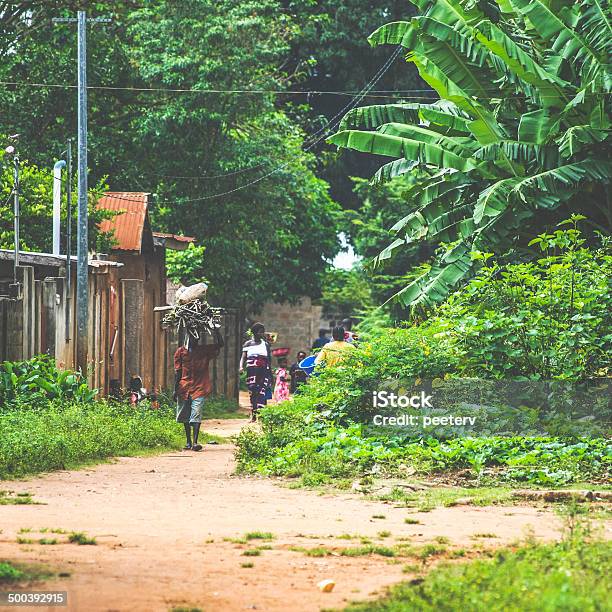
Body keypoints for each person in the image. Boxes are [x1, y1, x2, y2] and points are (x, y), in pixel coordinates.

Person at [174, 329, 224, 451]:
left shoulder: (204, 351)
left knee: (196, 413)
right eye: (191, 337)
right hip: (184, 387)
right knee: (185, 415)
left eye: (196, 338)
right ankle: (188, 442)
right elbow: (178, 372)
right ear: (187, 338)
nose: (194, 340)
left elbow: (220, 344)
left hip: (200, 387)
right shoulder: (180, 352)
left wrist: (216, 330)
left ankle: (195, 442)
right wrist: (175, 390)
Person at [239, 322, 272, 422]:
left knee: (262, 391)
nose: (262, 334)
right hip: (251, 372)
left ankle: (262, 416)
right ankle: (253, 415)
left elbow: (269, 360)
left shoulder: (265, 344)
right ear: (254, 332)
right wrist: (241, 367)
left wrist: (271, 374)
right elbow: (243, 357)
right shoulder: (248, 344)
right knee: (253, 392)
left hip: (263, 371)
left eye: (263, 332)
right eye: (260, 332)